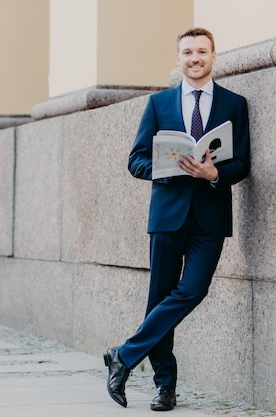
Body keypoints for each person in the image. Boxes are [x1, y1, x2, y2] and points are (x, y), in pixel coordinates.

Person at [103, 27, 251, 411]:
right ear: (179, 58)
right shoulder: (159, 104)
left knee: (192, 290)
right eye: (187, 52)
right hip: (167, 214)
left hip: (210, 217)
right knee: (159, 297)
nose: (195, 58)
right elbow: (135, 160)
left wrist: (214, 175)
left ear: (214, 56)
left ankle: (123, 355)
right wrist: (170, 169)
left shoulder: (235, 104)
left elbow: (243, 163)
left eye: (202, 51)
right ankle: (164, 386)